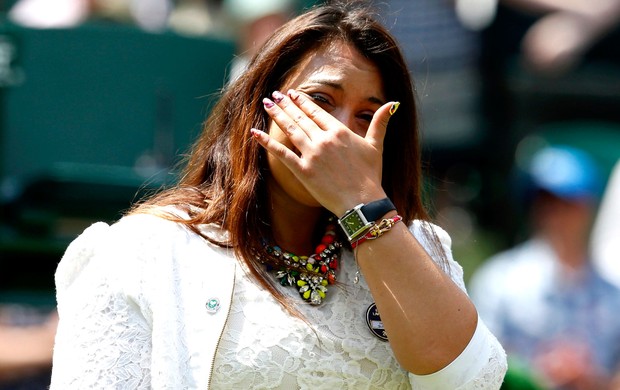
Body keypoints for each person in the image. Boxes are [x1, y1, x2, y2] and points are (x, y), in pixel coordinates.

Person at [50, 1, 507, 388]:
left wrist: (360, 204)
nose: (337, 134)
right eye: (320, 101)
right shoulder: (140, 253)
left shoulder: (416, 246)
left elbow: (473, 379)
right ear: (259, 109)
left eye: (368, 115)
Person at [469, 145, 620, 389]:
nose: (557, 213)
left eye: (569, 202)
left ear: (588, 205)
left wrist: (592, 379)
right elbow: (475, 363)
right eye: (546, 202)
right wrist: (536, 373)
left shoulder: (614, 291)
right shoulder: (498, 280)